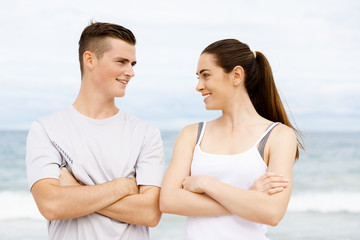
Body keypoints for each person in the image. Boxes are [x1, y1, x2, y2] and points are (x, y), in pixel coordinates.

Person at [25, 22, 165, 240]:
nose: (130, 72)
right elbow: (51, 205)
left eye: (133, 64)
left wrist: (76, 190)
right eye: (121, 62)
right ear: (89, 60)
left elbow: (149, 213)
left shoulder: (146, 133)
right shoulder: (45, 129)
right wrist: (123, 186)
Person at [160, 39, 303, 239]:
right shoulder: (191, 134)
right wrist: (250, 198)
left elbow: (272, 213)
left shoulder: (278, 136)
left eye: (206, 75)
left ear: (236, 75)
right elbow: (168, 201)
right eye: (198, 77)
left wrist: (207, 184)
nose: (199, 86)